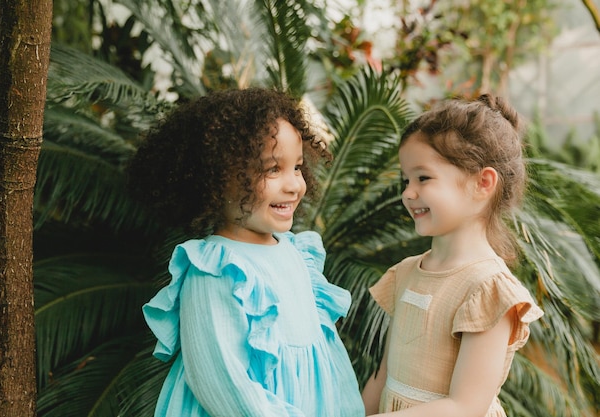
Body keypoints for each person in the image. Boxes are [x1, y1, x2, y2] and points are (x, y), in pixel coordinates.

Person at [126, 87, 365, 417]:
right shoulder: (215, 269)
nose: (295, 185)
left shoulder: (298, 254)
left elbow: (329, 359)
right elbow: (225, 384)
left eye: (297, 167)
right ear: (218, 178)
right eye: (272, 169)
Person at [361, 94, 544, 417]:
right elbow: (384, 376)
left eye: (423, 178)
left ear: (482, 183)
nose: (407, 192)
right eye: (406, 180)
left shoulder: (487, 289)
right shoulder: (405, 273)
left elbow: (465, 406)